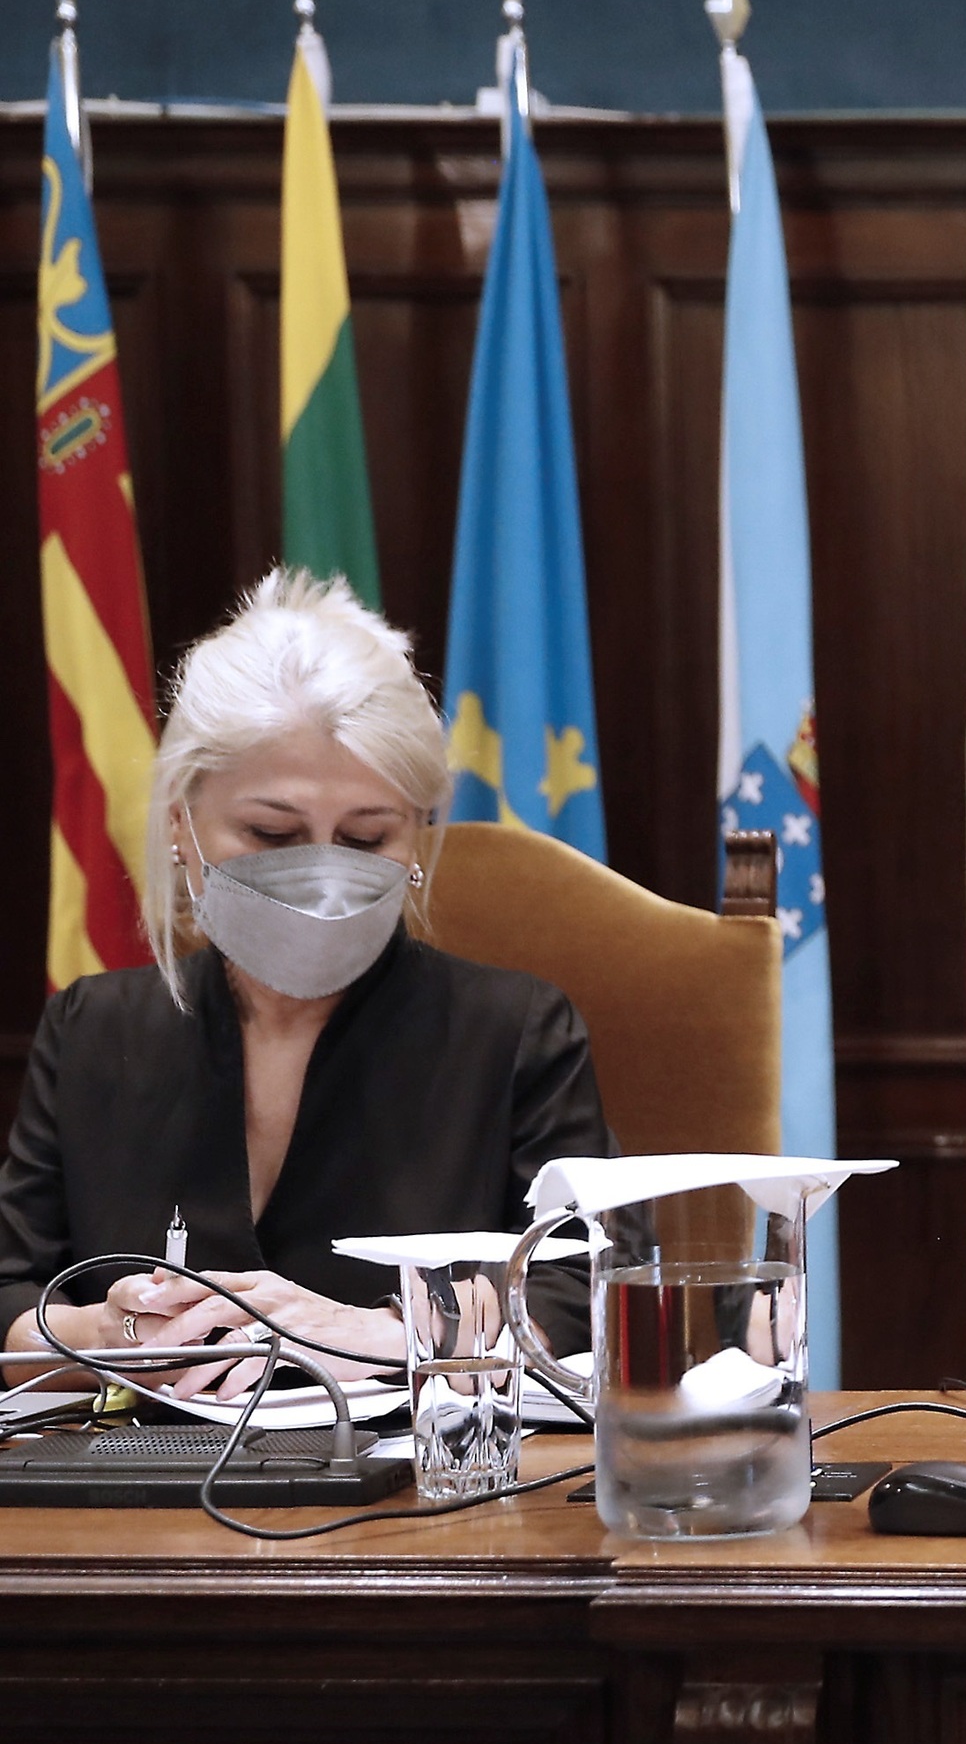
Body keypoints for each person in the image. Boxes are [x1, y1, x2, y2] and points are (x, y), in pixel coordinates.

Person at [0, 570, 612, 1402]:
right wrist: (101, 1337)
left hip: (416, 1473)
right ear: (180, 824)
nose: (324, 880)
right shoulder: (91, 1029)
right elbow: (13, 1292)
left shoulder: (517, 1033)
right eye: (272, 833)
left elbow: (587, 1289)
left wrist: (384, 1335)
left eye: (366, 839)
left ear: (418, 838)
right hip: (146, 1472)